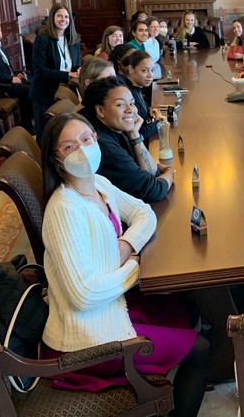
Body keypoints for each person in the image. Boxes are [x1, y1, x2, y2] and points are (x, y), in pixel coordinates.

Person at [39, 113, 209, 416]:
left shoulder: (99, 185)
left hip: (112, 303)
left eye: (86, 139)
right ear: (55, 159)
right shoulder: (64, 210)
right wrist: (134, 265)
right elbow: (84, 295)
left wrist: (126, 244)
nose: (81, 149)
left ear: (96, 138)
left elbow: (145, 213)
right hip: (84, 338)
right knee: (200, 349)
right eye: (68, 147)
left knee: (190, 310)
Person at [80, 77, 174, 203]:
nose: (131, 110)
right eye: (120, 104)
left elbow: (151, 173)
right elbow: (154, 190)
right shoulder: (103, 145)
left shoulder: (114, 127)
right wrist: (170, 172)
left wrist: (135, 135)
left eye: (132, 103)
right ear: (100, 110)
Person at [30, 2, 81, 143]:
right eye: (59, 16)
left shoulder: (73, 38)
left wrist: (79, 69)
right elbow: (40, 71)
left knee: (64, 133)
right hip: (45, 93)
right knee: (46, 134)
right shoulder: (42, 39)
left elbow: (76, 64)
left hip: (67, 92)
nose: (63, 19)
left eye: (66, 16)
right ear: (52, 18)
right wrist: (68, 75)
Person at [124, 50, 163, 141]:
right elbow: (139, 133)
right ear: (131, 69)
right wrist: (158, 122)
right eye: (144, 70)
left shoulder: (137, 87)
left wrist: (150, 112)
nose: (150, 75)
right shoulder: (128, 95)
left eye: (152, 70)